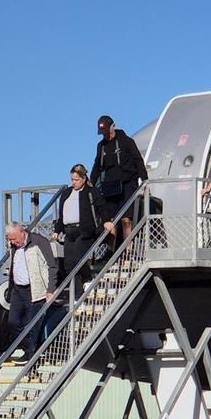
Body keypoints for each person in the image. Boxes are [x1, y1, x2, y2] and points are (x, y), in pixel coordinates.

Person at [4, 223, 58, 363]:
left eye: (14, 239)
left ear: (22, 232)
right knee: (12, 323)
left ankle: (31, 354)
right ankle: (29, 350)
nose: (12, 242)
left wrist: (50, 289)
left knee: (31, 324)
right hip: (17, 289)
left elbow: (51, 266)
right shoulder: (14, 247)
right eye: (10, 240)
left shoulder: (39, 242)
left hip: (34, 290)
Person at [90, 115, 148, 246]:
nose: (105, 135)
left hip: (128, 183)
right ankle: (112, 253)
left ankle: (128, 250)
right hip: (110, 186)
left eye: (107, 131)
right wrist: (91, 183)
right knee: (111, 222)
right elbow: (97, 166)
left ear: (113, 126)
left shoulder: (127, 141)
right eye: (102, 133)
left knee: (126, 219)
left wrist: (144, 180)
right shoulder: (101, 146)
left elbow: (138, 160)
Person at [53, 164, 112, 290]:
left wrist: (106, 221)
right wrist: (57, 230)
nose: (74, 182)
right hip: (69, 231)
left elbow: (102, 208)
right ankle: (77, 294)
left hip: (84, 230)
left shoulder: (91, 192)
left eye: (76, 180)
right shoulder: (67, 193)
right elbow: (61, 216)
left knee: (79, 257)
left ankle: (88, 278)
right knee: (68, 264)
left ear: (84, 178)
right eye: (72, 180)